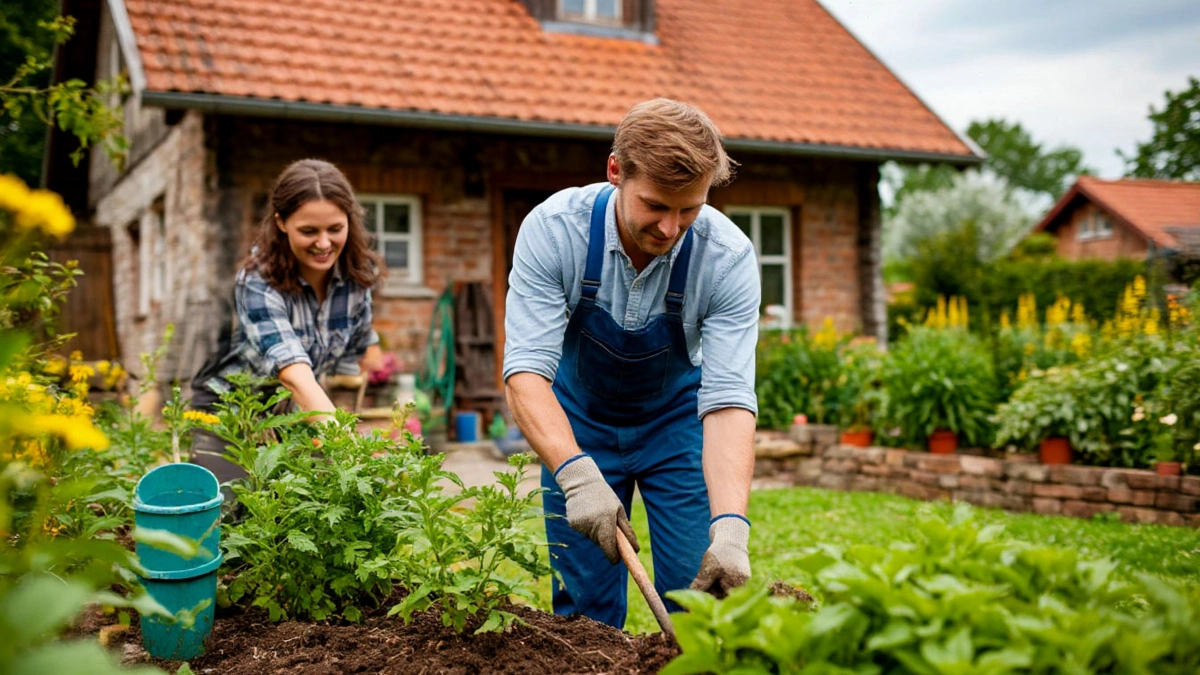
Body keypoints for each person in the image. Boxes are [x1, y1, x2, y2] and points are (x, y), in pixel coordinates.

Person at [503, 98, 760, 628]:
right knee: (583, 615)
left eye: (689, 209)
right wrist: (575, 475)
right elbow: (526, 372)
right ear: (616, 170)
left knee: (699, 602)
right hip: (578, 424)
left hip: (675, 427)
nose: (670, 229)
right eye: (655, 206)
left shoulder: (727, 257)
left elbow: (729, 399)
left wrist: (732, 528)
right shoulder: (554, 231)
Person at [190, 159, 384, 484]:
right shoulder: (257, 281)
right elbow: (294, 376)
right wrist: (344, 444)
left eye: (335, 229)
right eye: (309, 231)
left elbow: (351, 366)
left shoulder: (357, 279)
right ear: (281, 223)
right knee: (230, 512)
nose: (324, 244)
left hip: (297, 411)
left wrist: (357, 430)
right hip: (232, 411)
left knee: (329, 502)